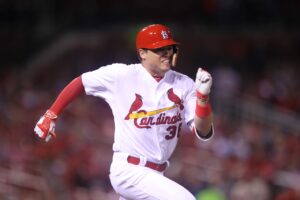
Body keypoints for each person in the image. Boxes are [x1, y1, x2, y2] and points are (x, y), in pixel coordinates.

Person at [34, 24, 214, 200]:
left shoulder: (185, 84)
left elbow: (203, 131)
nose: (167, 53)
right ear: (142, 53)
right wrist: (51, 114)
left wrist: (203, 98)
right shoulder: (121, 75)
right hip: (129, 170)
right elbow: (81, 82)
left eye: (169, 48)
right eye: (159, 49)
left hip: (157, 174)